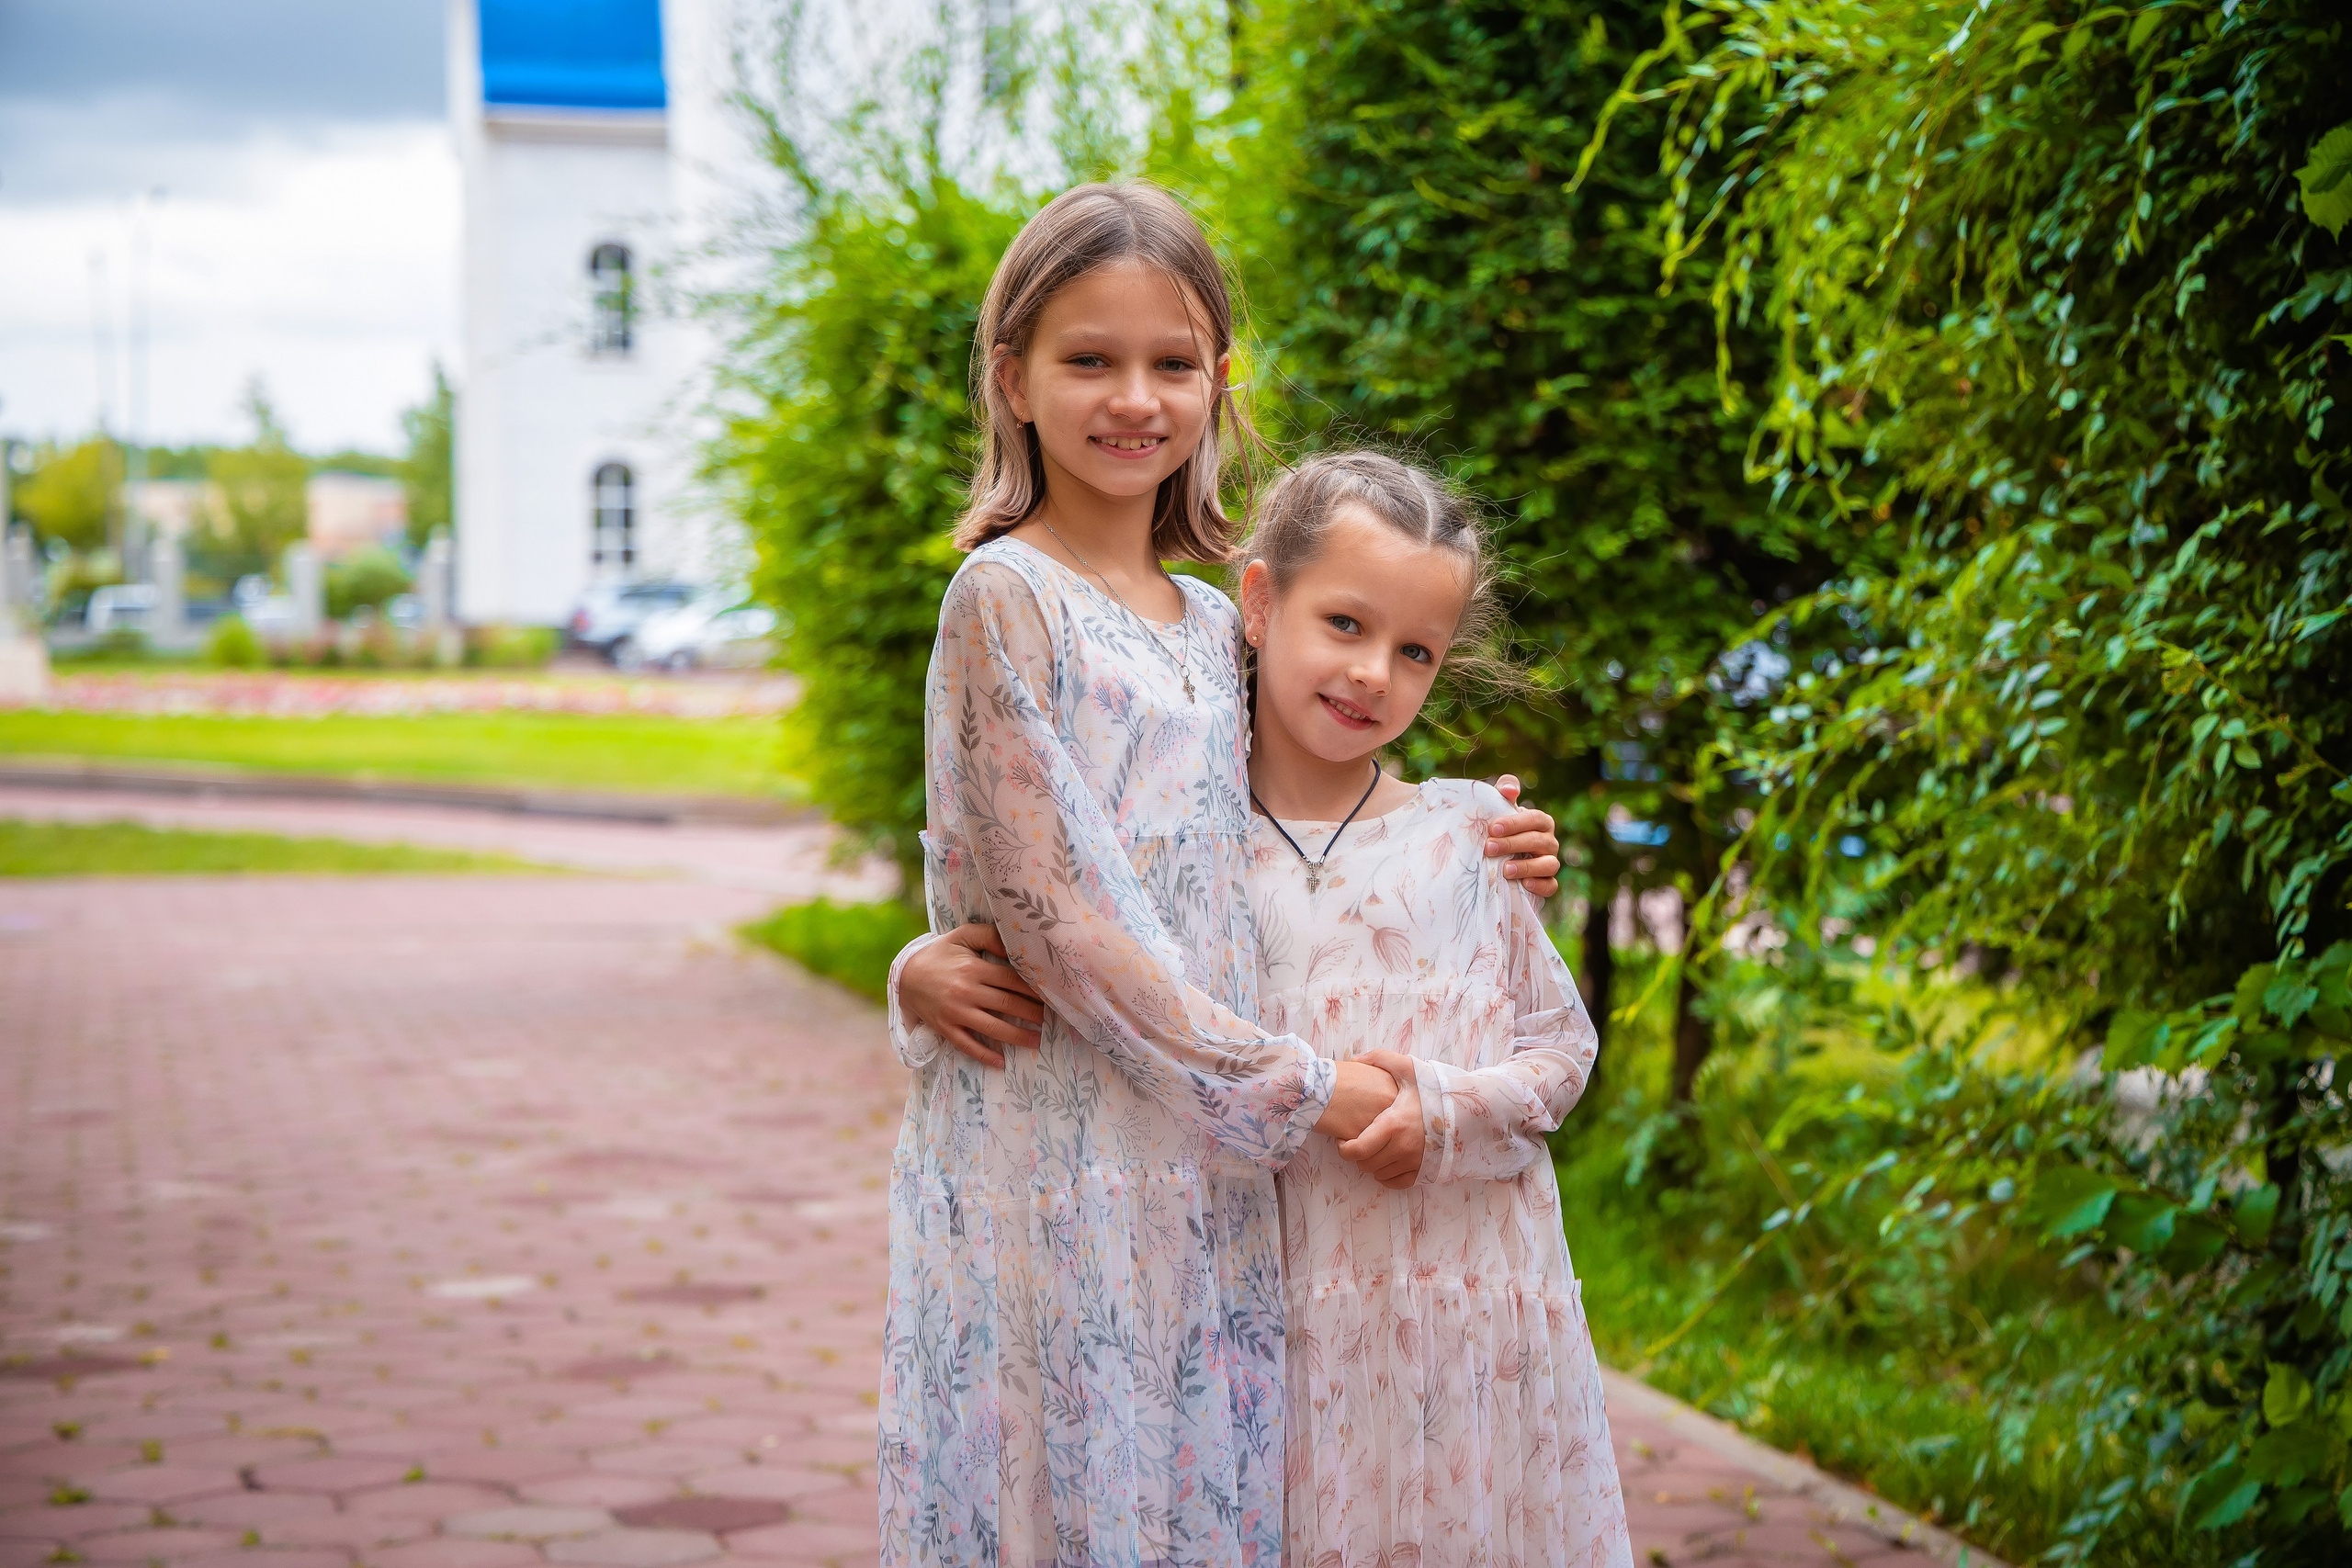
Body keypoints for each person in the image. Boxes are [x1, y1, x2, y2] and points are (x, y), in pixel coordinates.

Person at [876, 181, 1564, 1567]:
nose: (1134, 397)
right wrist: (1295, 1084)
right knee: (1062, 1491)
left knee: (1196, 1493)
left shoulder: (1206, 622)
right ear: (1010, 376)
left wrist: (1463, 832)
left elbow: (1286, 811)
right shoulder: (1002, 593)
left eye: (1172, 363)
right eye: (1089, 359)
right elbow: (1060, 911)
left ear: (1219, 384)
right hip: (1057, 1144)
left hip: (1200, 1165)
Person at [1232, 451, 1629, 1567]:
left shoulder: (1469, 836)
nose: (1373, 673)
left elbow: (1561, 1048)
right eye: (1345, 624)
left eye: (1415, 651)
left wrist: (1445, 1111)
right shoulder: (1188, 842)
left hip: (1465, 1315)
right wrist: (923, 962)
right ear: (1262, 604)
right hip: (1282, 1309)